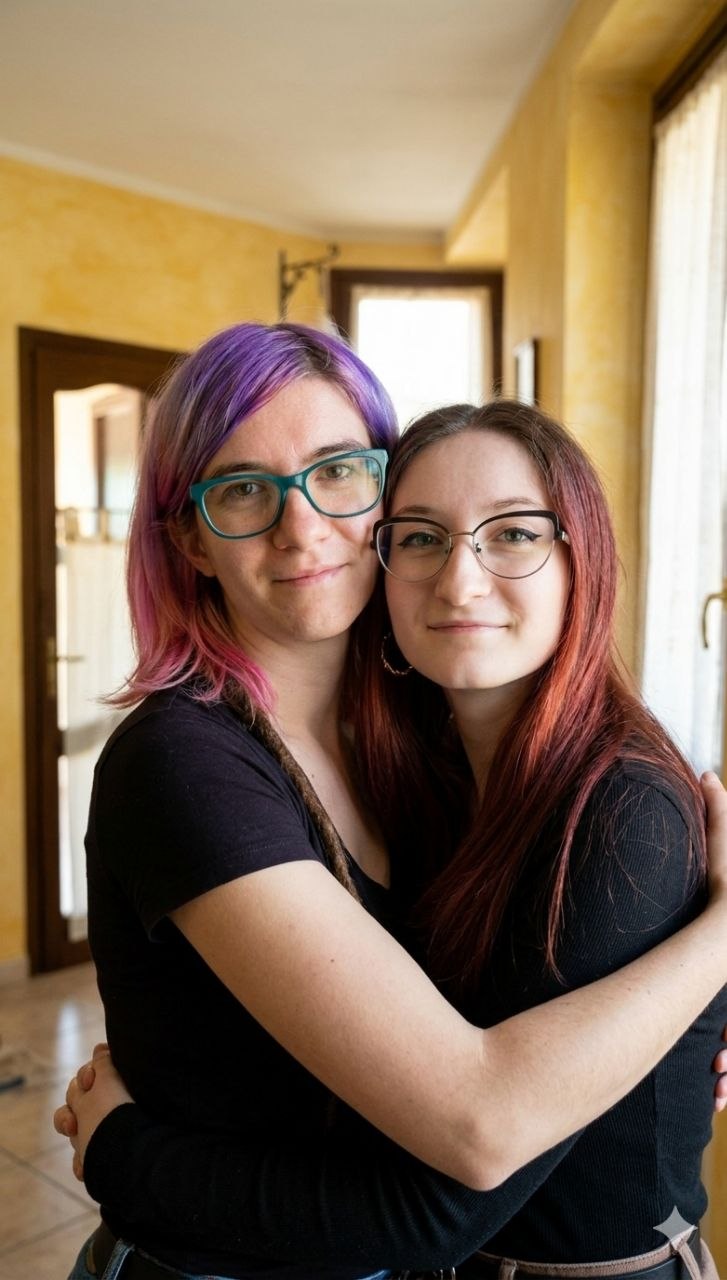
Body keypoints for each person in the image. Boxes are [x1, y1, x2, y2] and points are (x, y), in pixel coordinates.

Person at [54, 334, 727, 1280]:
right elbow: (473, 1133)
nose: (300, 529)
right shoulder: (185, 763)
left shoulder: (419, 736)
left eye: (337, 471)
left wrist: (662, 1033)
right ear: (191, 539)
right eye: (242, 489)